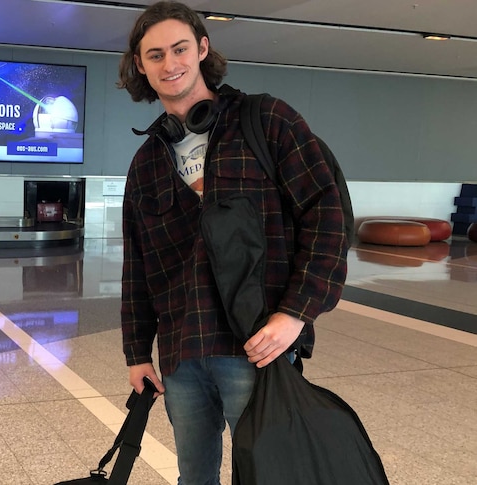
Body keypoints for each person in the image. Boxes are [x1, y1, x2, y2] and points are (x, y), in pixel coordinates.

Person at [117, 2, 348, 483]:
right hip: (183, 355)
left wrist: (296, 313)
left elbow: (327, 218)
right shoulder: (146, 164)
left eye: (180, 49)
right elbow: (138, 268)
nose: (170, 63)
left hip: (257, 347)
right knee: (193, 478)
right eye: (154, 55)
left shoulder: (267, 122)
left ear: (202, 48)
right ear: (140, 65)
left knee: (269, 475)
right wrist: (137, 352)